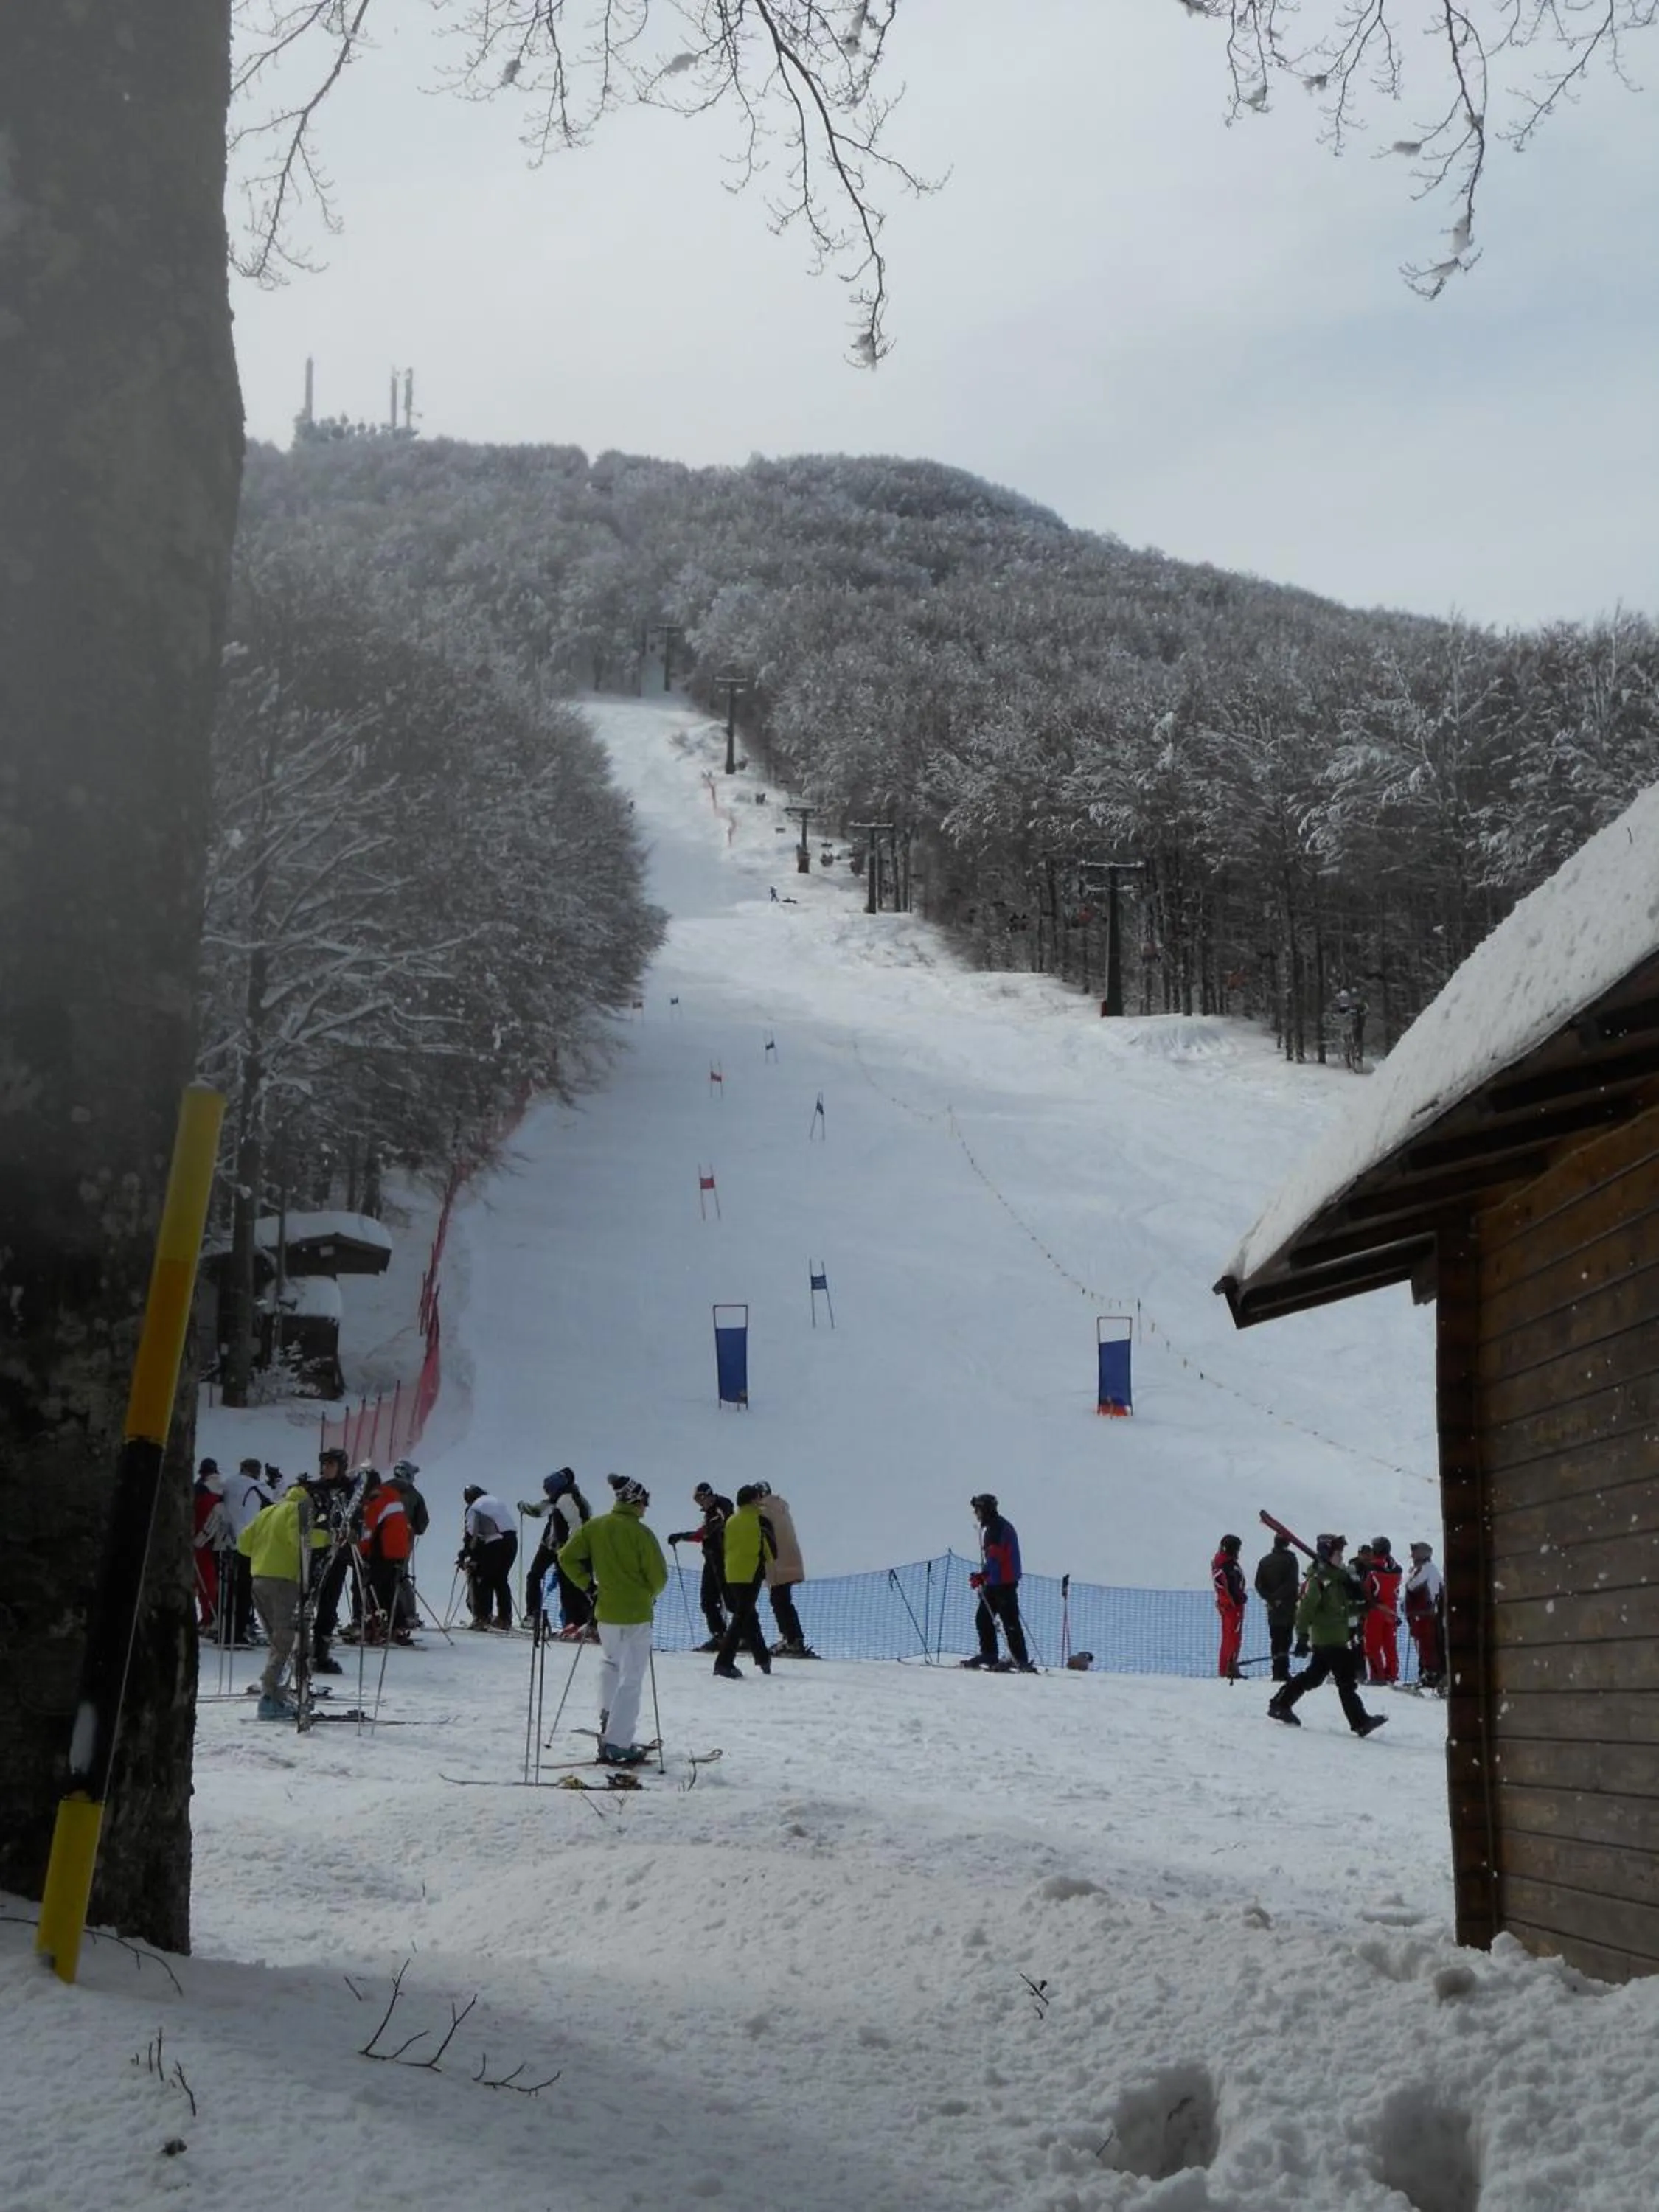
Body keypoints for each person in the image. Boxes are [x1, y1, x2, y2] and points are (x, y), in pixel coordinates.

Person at [557, 1475, 668, 1762]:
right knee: (632, 1677)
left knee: (610, 1663)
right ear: (635, 1501)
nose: (646, 1507)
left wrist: (588, 1586)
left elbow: (566, 1557)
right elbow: (659, 1577)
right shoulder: (641, 1534)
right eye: (645, 1501)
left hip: (605, 1612)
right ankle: (618, 1742)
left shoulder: (596, 1527)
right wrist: (648, 1593)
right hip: (637, 1614)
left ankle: (608, 1715)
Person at [1267, 1534, 1388, 1736]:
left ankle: (1280, 1704)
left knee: (1313, 1677)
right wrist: (1302, 1637)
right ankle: (1360, 1722)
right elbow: (1305, 1610)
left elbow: (1341, 1610)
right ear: (1327, 1555)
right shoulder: (1319, 1581)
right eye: (1338, 1553)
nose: (1342, 1557)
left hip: (1334, 1637)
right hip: (1330, 1639)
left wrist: (1363, 1608)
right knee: (1346, 1681)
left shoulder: (1337, 1580)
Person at [236, 1472, 332, 1719]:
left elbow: (244, 1543)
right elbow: (298, 1538)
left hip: (259, 1579)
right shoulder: (297, 1510)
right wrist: (328, 1537)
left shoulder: (269, 1511)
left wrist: (266, 1552)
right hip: (283, 1582)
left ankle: (277, 1692)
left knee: (278, 1641)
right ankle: (270, 1698)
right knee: (286, 1640)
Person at [962, 1492, 1034, 1672]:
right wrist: (985, 1576)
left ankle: (1019, 1659)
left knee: (1009, 1620)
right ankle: (989, 1653)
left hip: (1004, 1581)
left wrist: (983, 1575)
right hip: (995, 1582)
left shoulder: (997, 1528)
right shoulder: (995, 1526)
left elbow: (996, 1556)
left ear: (986, 1510)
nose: (976, 1514)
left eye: (978, 1510)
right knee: (983, 1618)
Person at [520, 1468, 594, 1638]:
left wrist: (572, 1549)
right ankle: (574, 1623)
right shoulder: (569, 1498)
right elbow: (540, 1510)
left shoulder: (566, 1500)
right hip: (558, 1547)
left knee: (565, 1584)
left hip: (564, 1548)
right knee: (566, 1584)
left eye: (548, 1490)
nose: (548, 1494)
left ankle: (575, 1623)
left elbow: (577, 1526)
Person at [712, 1484, 774, 1681]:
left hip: (732, 1573)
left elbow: (722, 1544)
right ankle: (724, 1662)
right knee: (741, 1617)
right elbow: (771, 1551)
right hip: (751, 1573)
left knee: (748, 1614)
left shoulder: (731, 1521)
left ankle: (763, 1657)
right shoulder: (760, 1521)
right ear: (753, 1500)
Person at [307, 1447, 359, 1674]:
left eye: (331, 1464)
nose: (326, 1468)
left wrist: (353, 1533)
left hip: (337, 1556)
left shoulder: (350, 1490)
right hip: (311, 1554)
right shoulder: (313, 1489)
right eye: (324, 1464)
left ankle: (321, 1652)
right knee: (305, 1602)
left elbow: (357, 1519)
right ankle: (298, 1651)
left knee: (328, 1605)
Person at [667, 1481, 733, 1652]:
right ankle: (720, 1636)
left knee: (731, 1600)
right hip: (712, 1559)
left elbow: (707, 1532)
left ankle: (744, 1636)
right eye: (697, 1501)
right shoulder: (713, 1510)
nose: (700, 1503)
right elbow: (705, 1532)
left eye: (701, 1499)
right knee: (709, 1600)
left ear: (708, 1495)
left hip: (724, 1558)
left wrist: (683, 1536)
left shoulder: (721, 1507)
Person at [754, 1481, 815, 1657]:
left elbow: (762, 1535)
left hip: (777, 1562)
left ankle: (791, 1639)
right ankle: (795, 1638)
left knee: (779, 1601)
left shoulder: (764, 1510)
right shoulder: (781, 1508)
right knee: (784, 1601)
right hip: (791, 1560)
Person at [358, 1467, 412, 1643]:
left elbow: (368, 1532)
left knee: (373, 1588)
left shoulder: (375, 1502)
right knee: (389, 1589)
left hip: (383, 1551)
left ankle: (373, 1625)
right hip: (399, 1551)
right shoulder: (391, 1497)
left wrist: (360, 1552)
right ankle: (398, 1626)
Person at [461, 1484, 518, 1629]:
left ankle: (482, 1617)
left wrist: (466, 1554)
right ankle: (505, 1618)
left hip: (494, 1543)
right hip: (512, 1541)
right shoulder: (495, 1501)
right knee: (501, 1579)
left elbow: (472, 1534)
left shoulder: (474, 1508)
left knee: (483, 1578)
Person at [387, 1459, 429, 1638]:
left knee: (382, 1575)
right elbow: (422, 1524)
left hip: (380, 1540)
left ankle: (382, 1613)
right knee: (401, 1576)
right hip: (404, 1541)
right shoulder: (415, 1495)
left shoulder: (383, 1489)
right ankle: (408, 1614)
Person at [1253, 1530, 1301, 1683]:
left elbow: (1259, 1585)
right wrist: (1279, 1597)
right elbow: (1291, 1583)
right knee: (1286, 1638)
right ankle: (1283, 1670)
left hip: (1272, 1608)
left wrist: (1270, 1599)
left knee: (1275, 1638)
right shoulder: (1291, 1560)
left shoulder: (1265, 1561)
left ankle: (1276, 1670)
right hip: (1287, 1605)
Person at [192, 1461, 230, 1632]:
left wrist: (197, 1541)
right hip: (217, 1544)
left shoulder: (201, 1491)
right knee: (211, 1583)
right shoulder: (223, 1492)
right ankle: (210, 1617)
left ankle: (209, 1619)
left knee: (202, 1583)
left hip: (201, 1544)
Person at [1404, 1541, 1447, 1690]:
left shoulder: (1427, 1570)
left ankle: (1431, 1676)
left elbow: (1412, 1586)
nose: (1413, 1556)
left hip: (1424, 1617)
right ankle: (1427, 1674)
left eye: (1415, 1553)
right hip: (1422, 1617)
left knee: (1426, 1646)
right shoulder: (1427, 1569)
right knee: (1425, 1646)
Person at [1363, 1536, 1403, 1686]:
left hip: (1376, 1610)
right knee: (1390, 1645)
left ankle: (1377, 1676)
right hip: (1391, 1610)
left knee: (1372, 1646)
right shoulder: (1396, 1569)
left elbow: (1366, 1590)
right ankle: (1392, 1675)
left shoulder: (1372, 1569)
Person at [1211, 1534, 1247, 1680]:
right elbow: (1233, 1589)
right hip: (1233, 1608)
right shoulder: (1229, 1566)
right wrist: (1241, 1598)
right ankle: (1230, 1669)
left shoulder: (1219, 1562)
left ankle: (1226, 1668)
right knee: (1233, 1638)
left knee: (1228, 1637)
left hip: (1226, 1606)